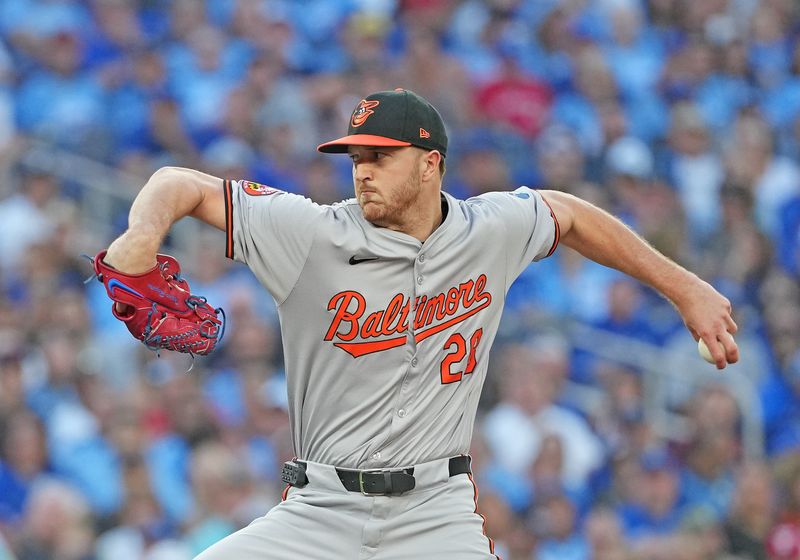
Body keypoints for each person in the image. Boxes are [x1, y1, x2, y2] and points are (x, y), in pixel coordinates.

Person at [101, 88, 739, 559]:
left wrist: (685, 288)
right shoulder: (311, 233)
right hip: (319, 510)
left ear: (431, 163)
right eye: (355, 156)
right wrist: (138, 240)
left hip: (436, 514)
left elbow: (568, 214)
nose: (362, 169)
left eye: (381, 155)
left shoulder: (489, 230)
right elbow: (176, 182)